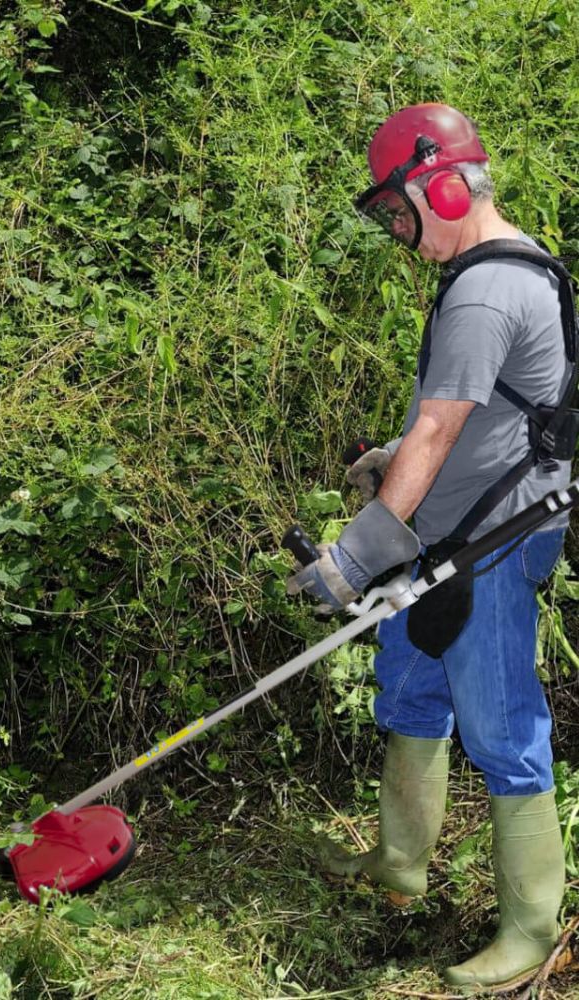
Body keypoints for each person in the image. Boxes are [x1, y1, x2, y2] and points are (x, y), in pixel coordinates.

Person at [287, 103, 574, 990]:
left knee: (500, 727)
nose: (399, 231)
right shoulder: (491, 273)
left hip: (488, 541)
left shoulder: (488, 288)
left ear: (441, 183)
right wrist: (391, 461)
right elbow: (463, 419)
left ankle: (531, 927)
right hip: (440, 533)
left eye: (399, 211)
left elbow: (442, 432)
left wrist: (350, 559)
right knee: (411, 690)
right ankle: (401, 862)